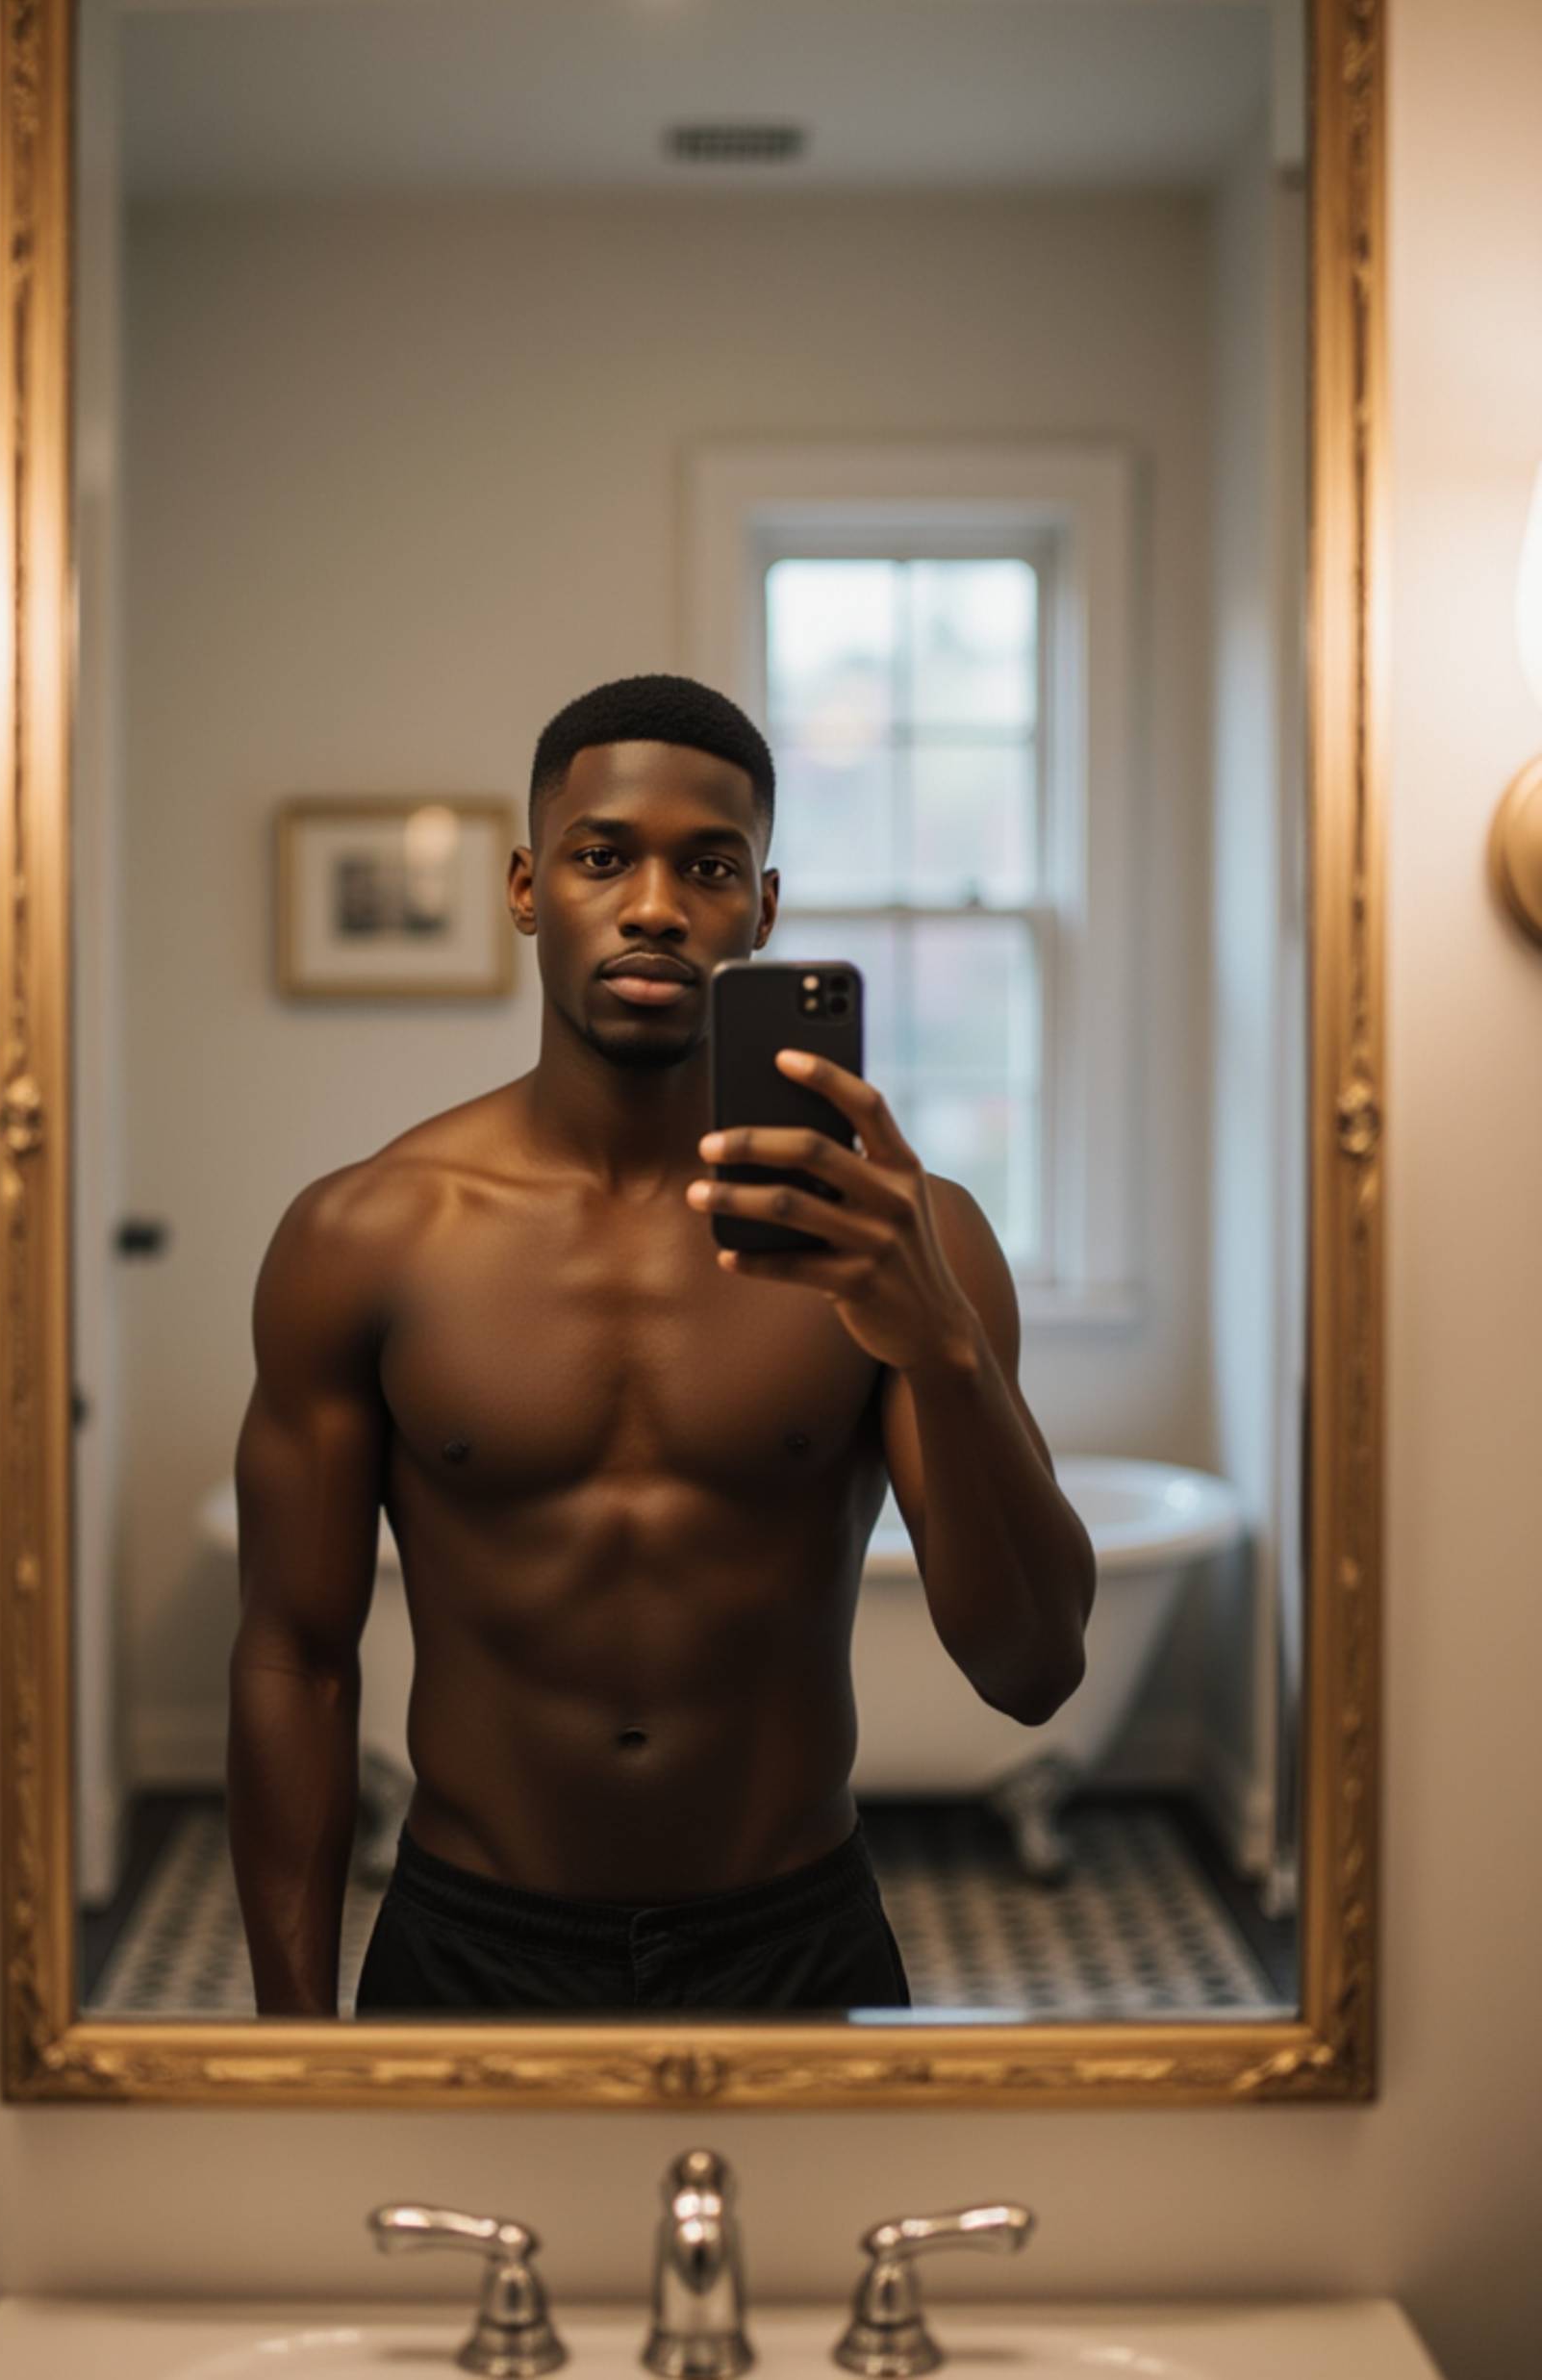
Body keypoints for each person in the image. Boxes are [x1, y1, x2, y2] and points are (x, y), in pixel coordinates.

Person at [227, 673, 1096, 2015]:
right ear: (526, 887)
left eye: (708, 865)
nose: (652, 904)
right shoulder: (367, 1236)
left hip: (796, 1937)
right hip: (469, 1938)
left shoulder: (908, 1240)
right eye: (600, 856)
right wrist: (291, 2048)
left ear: (763, 908)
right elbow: (295, 1655)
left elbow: (1033, 1674)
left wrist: (944, 1350)